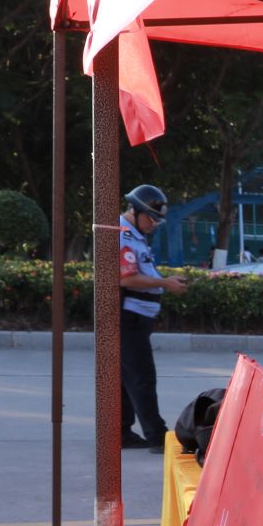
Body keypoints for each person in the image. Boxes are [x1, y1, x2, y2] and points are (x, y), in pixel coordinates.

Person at [117, 184, 186, 449]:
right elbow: (126, 278)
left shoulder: (134, 234)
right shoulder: (122, 236)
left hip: (137, 317)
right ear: (135, 211)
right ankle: (157, 436)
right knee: (142, 377)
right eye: (152, 218)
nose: (154, 224)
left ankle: (121, 431)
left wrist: (163, 281)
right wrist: (165, 283)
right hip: (129, 317)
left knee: (127, 378)